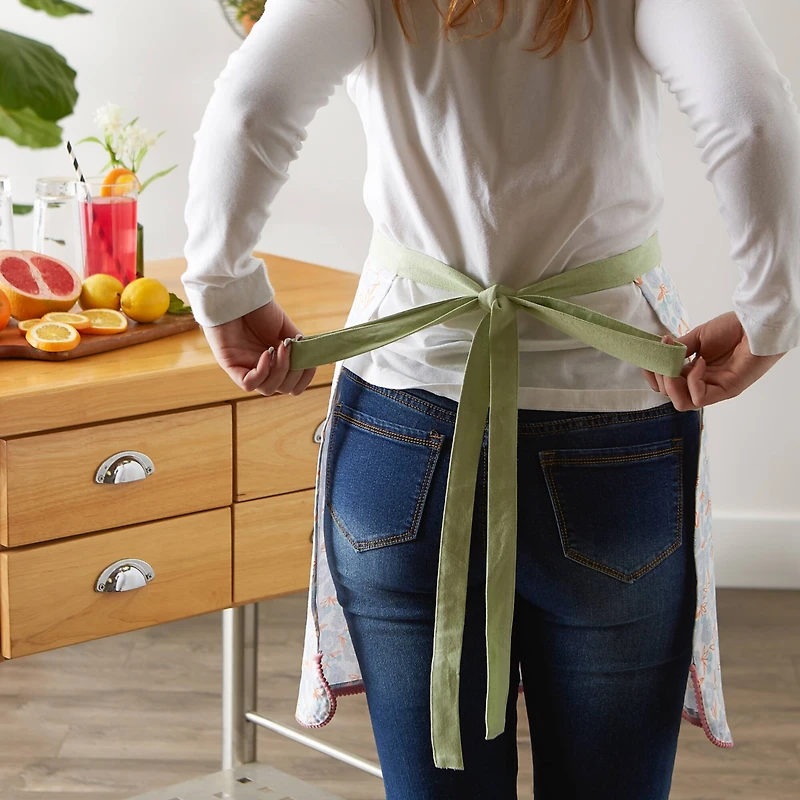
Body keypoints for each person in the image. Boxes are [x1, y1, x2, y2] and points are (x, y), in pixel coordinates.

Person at [182, 1, 799, 797]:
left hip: (403, 428)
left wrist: (224, 284)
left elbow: (250, 106)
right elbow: (749, 111)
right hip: (613, 431)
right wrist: (771, 310)